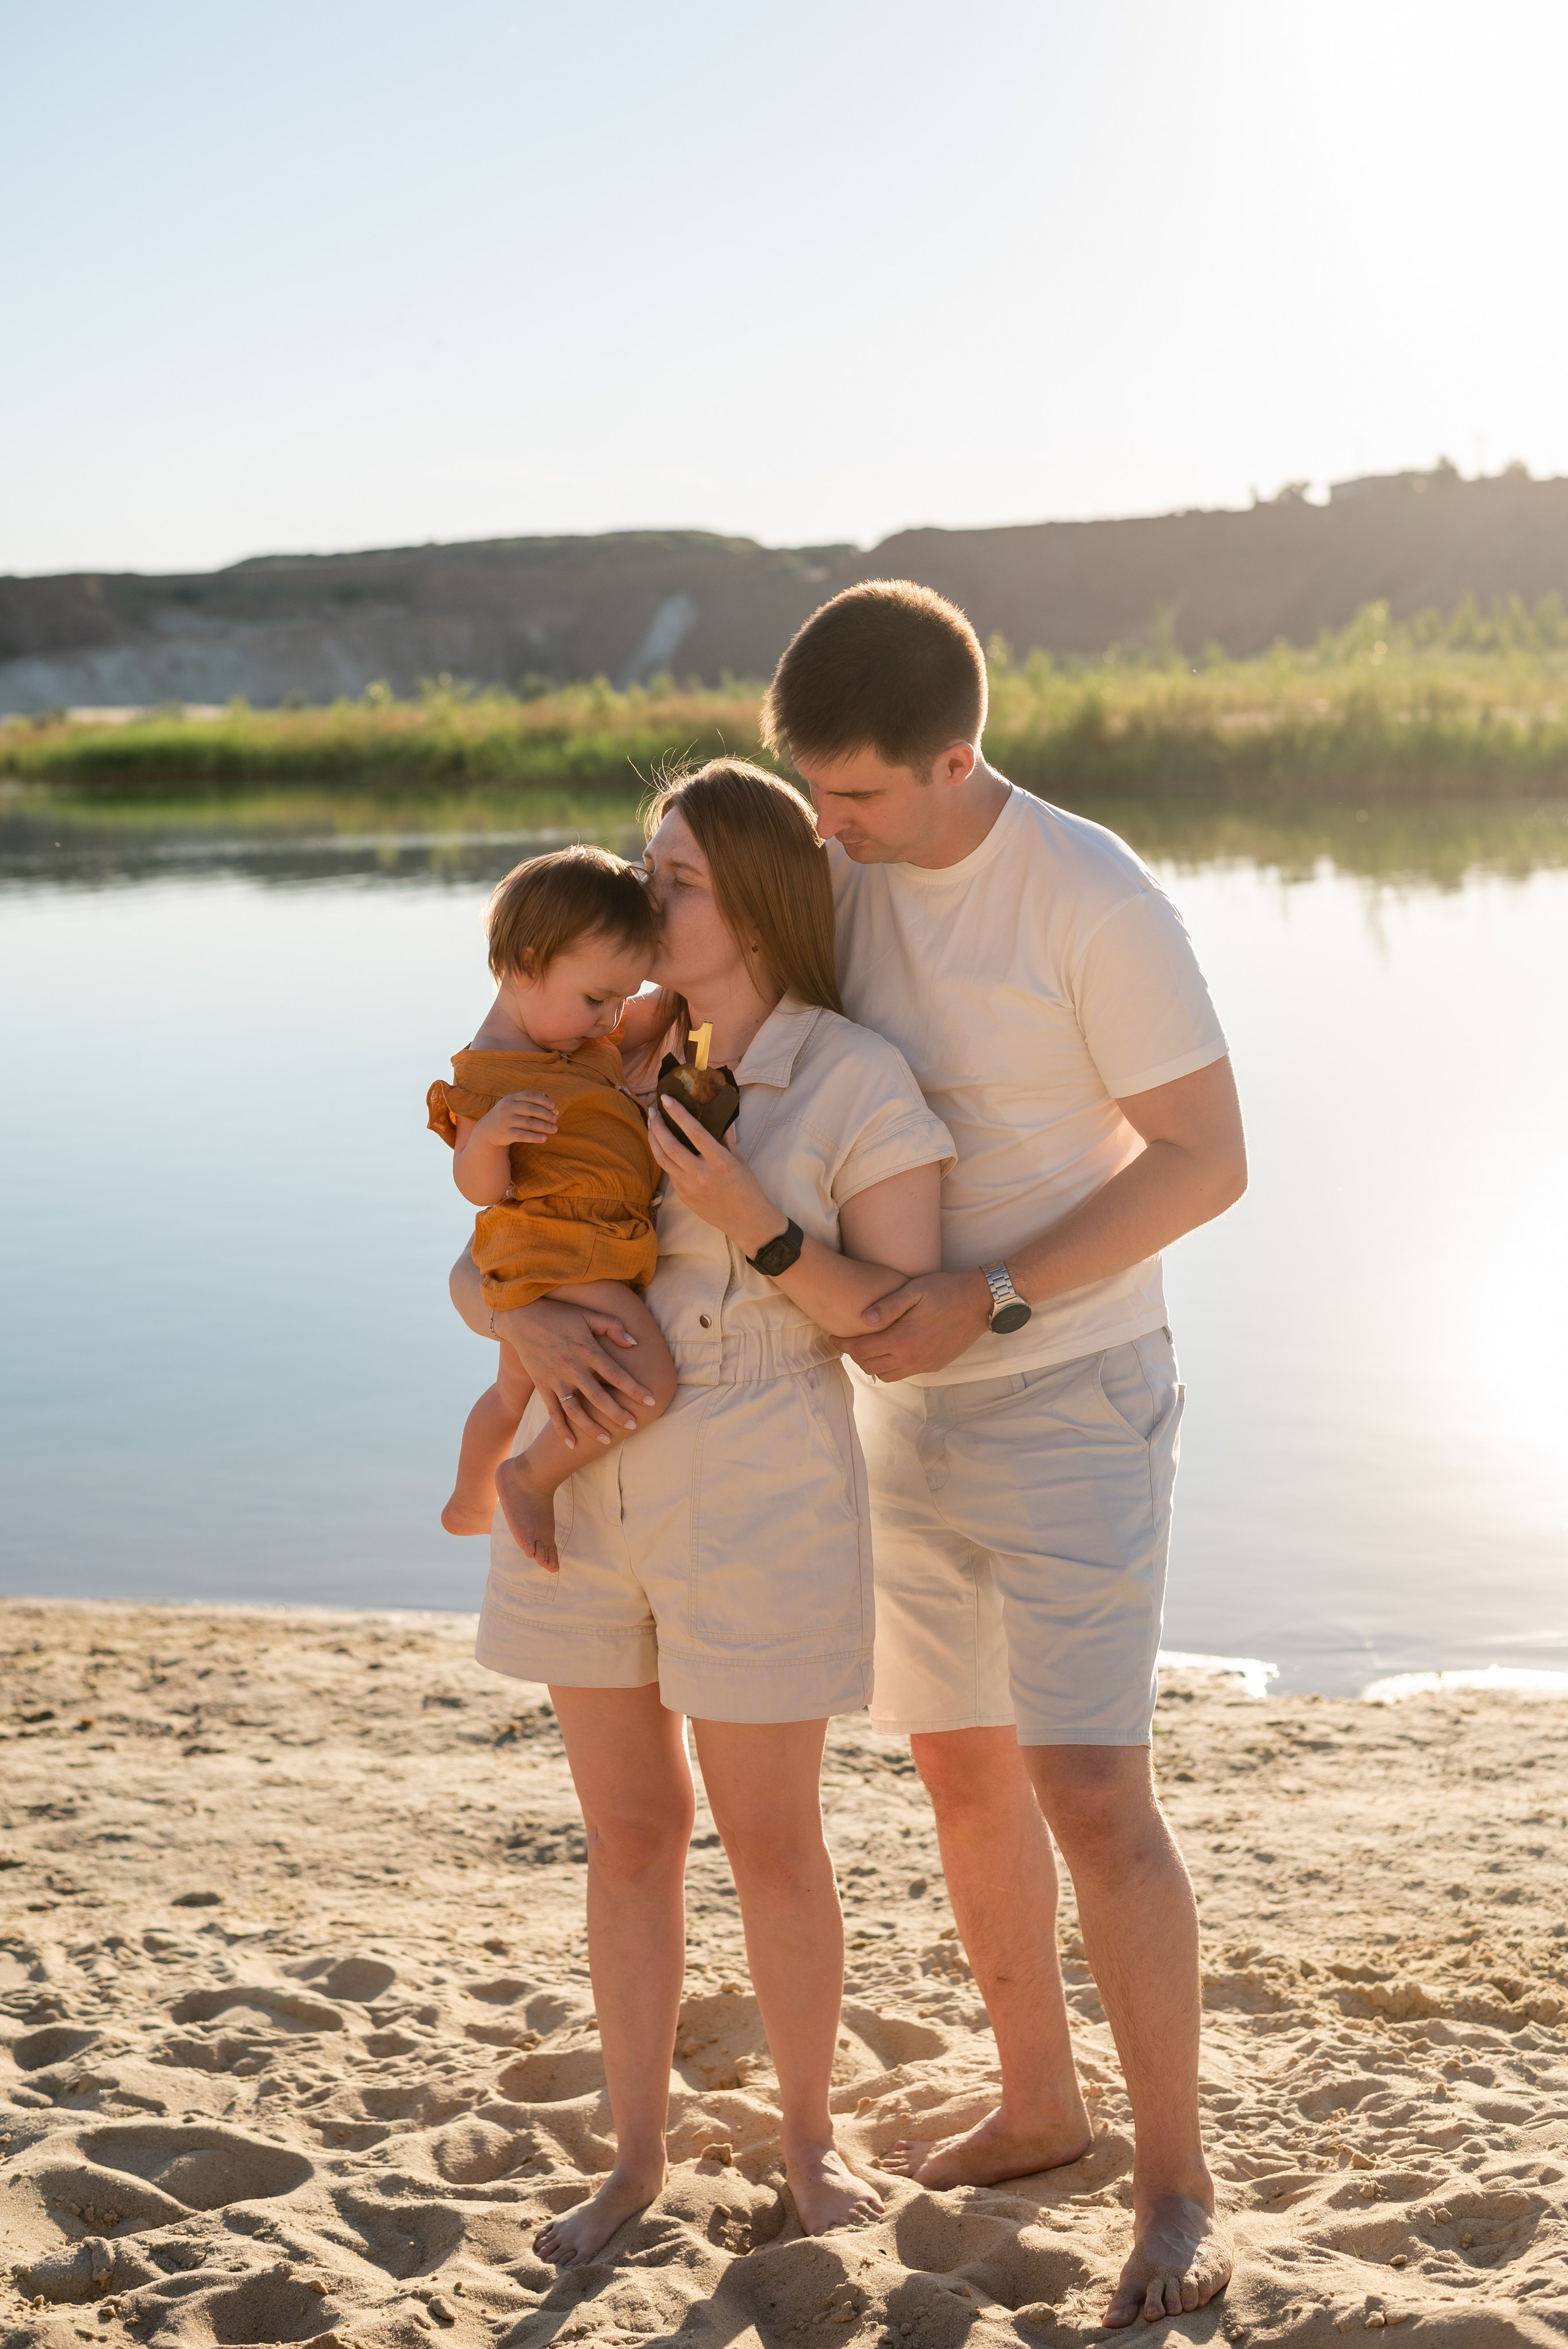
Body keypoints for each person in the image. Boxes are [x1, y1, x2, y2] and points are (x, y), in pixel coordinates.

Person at [758, 579, 1247, 2329]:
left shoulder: (1093, 895)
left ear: (957, 756)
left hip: (1073, 1390)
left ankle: (1178, 2180)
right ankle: (1041, 2100)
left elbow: (1207, 1156)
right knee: (960, 1773)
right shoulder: (838, 871)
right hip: (895, 1400)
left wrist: (1004, 1302)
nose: (832, 829)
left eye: (863, 797)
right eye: (814, 794)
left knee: (1094, 1792)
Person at [452, 760, 954, 2265]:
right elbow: (493, 1238)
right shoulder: (593, 1044)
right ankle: (635, 2155)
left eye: (669, 877)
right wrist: (505, 1316)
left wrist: (760, 1225)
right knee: (627, 1836)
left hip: (759, 1487)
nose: (640, 896)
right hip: (574, 1471)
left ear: (748, 898)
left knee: (772, 1841)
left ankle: (807, 2142)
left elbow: (902, 1316)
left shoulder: (855, 1076)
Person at [428, 845, 676, 1567]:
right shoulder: (489, 1072)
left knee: (513, 1391)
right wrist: (493, 1138)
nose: (610, 1020)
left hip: (561, 1251)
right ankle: (528, 1477)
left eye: (621, 1000)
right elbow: (476, 1189)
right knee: (647, 1385)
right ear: (526, 965)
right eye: (597, 998)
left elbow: (660, 1012)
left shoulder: (574, 1038)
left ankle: (468, 1500)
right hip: (565, 1253)